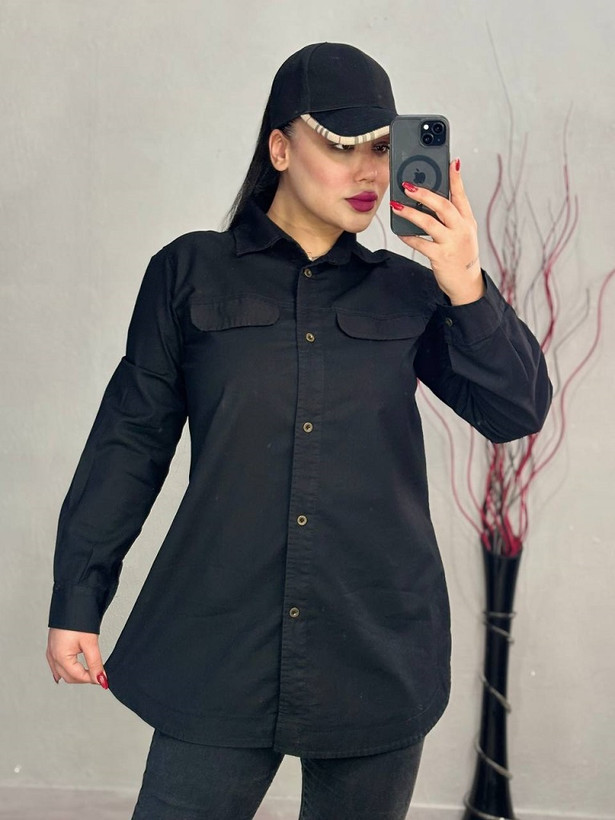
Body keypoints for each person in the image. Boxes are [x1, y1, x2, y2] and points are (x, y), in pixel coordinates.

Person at [46, 42, 551, 819]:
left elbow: (514, 411)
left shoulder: (411, 292)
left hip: (375, 644)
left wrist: (465, 286)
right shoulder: (187, 273)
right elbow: (130, 441)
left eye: (380, 148)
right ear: (279, 149)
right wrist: (78, 596)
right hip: (219, 641)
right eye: (342, 146)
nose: (368, 171)